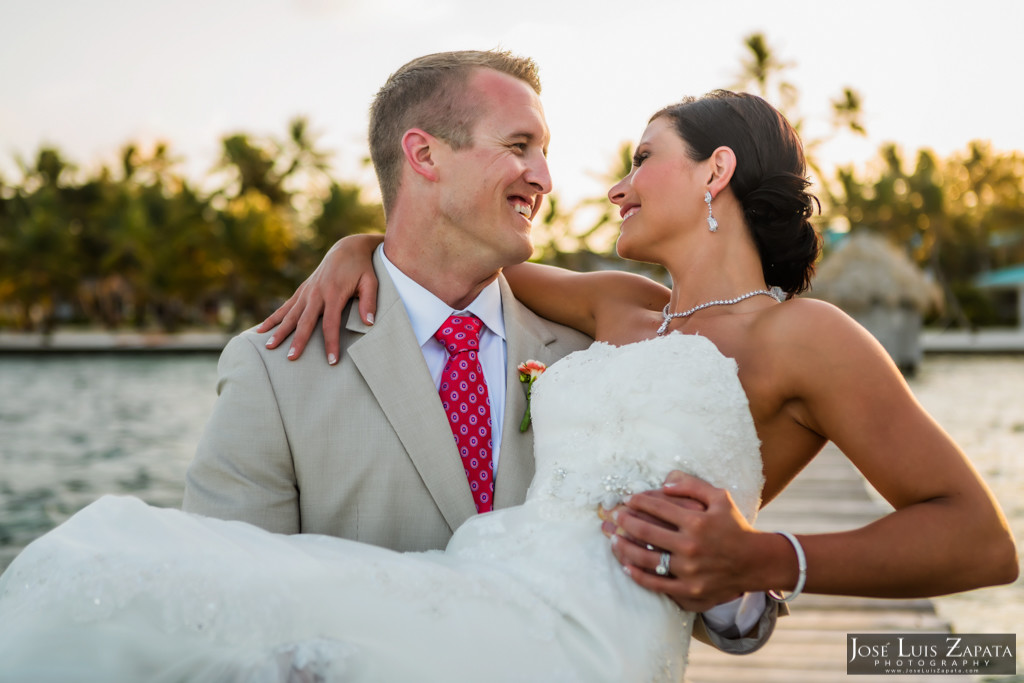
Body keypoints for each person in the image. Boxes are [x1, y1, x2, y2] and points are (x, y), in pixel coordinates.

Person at [0, 57, 782, 681]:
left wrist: (731, 585)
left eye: (544, 151)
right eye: (519, 147)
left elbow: (705, 600)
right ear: (423, 155)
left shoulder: (599, 353)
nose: (546, 176)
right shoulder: (276, 370)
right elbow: (214, 609)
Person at [264, 91, 1019, 611]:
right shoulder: (618, 302)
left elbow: (980, 541)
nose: (617, 189)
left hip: (609, 641)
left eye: (641, 158)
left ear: (714, 172)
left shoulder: (805, 337)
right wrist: (355, 248)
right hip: (501, 586)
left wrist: (764, 559)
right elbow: (453, 251)